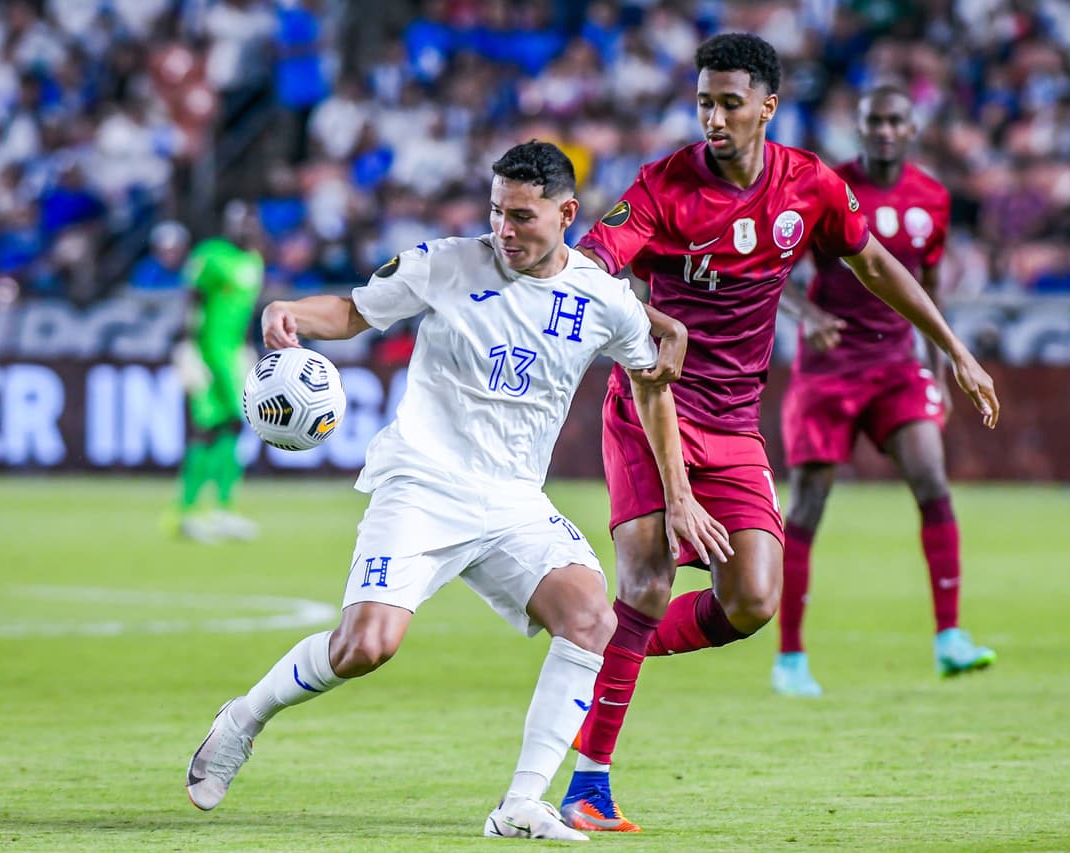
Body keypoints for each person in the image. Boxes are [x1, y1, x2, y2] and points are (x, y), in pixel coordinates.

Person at [182, 141, 729, 841]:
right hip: (422, 483)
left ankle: (521, 804)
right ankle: (242, 718)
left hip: (512, 502)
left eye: (523, 217)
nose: (505, 229)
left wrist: (678, 492)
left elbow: (653, 385)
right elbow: (353, 311)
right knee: (366, 646)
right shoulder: (444, 263)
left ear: (567, 213)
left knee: (592, 616)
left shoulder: (603, 298)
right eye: (498, 212)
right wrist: (292, 312)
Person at [558, 35, 1000, 832]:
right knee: (650, 583)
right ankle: (588, 781)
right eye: (703, 102)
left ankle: (599, 649)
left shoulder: (809, 186)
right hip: (650, 406)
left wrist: (955, 349)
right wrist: (654, 318)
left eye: (729, 102)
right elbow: (590, 267)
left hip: (731, 419)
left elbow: (875, 265)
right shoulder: (663, 187)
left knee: (754, 596)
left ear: (767, 105)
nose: (713, 117)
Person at [772, 86, 997, 699]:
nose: (886, 130)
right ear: (860, 126)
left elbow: (925, 289)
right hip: (829, 366)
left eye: (896, 120)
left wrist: (942, 364)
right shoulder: (824, 188)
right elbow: (775, 272)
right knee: (809, 506)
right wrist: (806, 317)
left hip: (898, 363)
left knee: (932, 481)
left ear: (913, 126)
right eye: (875, 120)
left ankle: (949, 637)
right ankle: (790, 657)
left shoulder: (932, 199)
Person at [168, 201, 264, 543]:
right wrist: (187, 344)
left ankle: (223, 509)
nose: (245, 228)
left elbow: (248, 311)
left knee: (234, 425)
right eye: (239, 222)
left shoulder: (254, 260)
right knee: (204, 427)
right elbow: (191, 300)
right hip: (208, 352)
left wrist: (250, 348)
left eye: (250, 221)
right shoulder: (210, 254)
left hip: (236, 354)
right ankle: (188, 511)